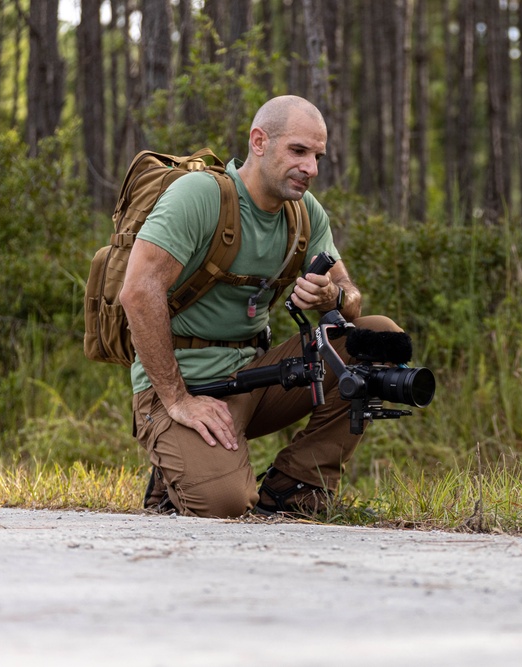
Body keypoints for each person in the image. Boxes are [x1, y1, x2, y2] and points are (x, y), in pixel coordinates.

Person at [120, 95, 401, 518]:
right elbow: (138, 291)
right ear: (259, 141)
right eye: (299, 151)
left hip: (255, 377)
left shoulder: (305, 214)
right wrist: (177, 398)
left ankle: (296, 486)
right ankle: (174, 470)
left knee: (380, 339)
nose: (312, 168)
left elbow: (352, 298)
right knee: (226, 504)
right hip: (179, 385)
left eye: (318, 156)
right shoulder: (200, 196)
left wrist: (332, 297)